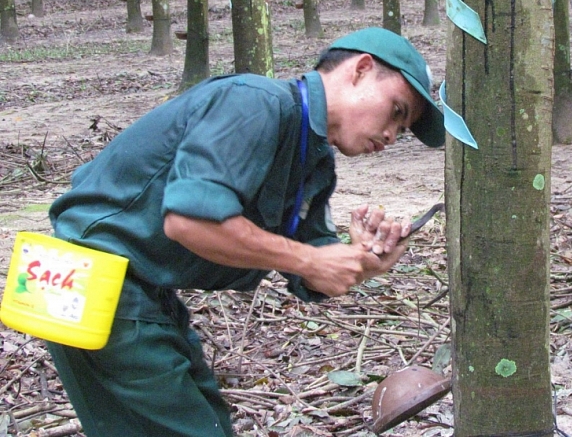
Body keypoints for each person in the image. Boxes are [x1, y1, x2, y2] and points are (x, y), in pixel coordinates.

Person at [44, 27, 446, 437]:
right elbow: (189, 221)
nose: (392, 136)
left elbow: (309, 267)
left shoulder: (314, 158)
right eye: (396, 112)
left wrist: (363, 261)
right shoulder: (254, 102)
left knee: (207, 421)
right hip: (90, 278)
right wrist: (310, 259)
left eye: (404, 129)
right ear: (360, 69)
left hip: (141, 291)